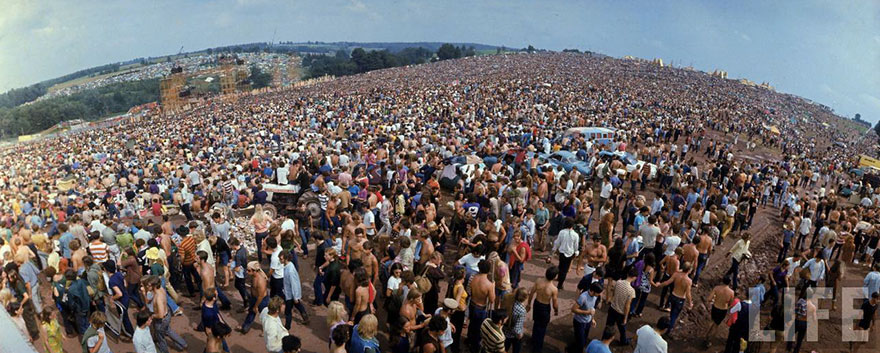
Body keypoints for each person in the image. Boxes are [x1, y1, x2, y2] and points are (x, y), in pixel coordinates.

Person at [527, 266, 559, 353]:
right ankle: (537, 348)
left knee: (536, 323)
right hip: (545, 307)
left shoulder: (538, 281)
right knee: (542, 328)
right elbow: (555, 303)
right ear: (555, 276)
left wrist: (529, 304)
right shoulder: (554, 289)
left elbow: (531, 293)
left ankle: (533, 340)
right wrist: (556, 310)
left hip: (537, 304)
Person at [467, 259, 496, 352]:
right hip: (480, 308)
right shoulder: (489, 284)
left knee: (471, 324)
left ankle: (469, 340)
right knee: (478, 329)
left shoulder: (473, 278)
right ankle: (474, 347)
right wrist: (493, 287)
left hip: (472, 303)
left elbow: (469, 291)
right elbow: (492, 300)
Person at [606, 268, 637, 345]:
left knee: (609, 326)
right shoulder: (631, 291)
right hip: (620, 312)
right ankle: (623, 341)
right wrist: (625, 318)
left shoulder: (618, 282)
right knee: (622, 329)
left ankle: (605, 339)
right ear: (634, 277)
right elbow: (627, 306)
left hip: (612, 308)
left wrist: (611, 299)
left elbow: (613, 292)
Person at [281, 251, 310, 327]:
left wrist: (295, 296)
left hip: (290, 295)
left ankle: (287, 326)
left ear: (286, 259)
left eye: (281, 258)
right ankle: (305, 318)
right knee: (298, 305)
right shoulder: (289, 266)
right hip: (290, 293)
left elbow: (294, 284)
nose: (280, 260)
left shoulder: (290, 270)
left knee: (288, 311)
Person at [239, 261, 269, 334]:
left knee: (264, 316)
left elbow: (261, 296)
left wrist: (256, 306)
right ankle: (246, 326)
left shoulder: (261, 281)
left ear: (255, 271)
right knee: (251, 312)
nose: (247, 271)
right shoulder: (253, 276)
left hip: (261, 300)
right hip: (254, 297)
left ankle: (267, 330)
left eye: (249, 270)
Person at [704, 276, 735, 345]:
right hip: (723, 310)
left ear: (722, 281)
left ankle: (705, 336)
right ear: (729, 283)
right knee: (716, 325)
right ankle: (709, 341)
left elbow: (709, 299)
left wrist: (715, 299)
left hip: (715, 307)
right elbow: (731, 303)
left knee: (711, 322)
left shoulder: (717, 288)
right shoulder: (731, 292)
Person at [573, 282, 603, 350]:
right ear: (592, 291)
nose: (599, 295)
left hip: (587, 322)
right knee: (580, 343)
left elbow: (591, 309)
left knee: (584, 340)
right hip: (579, 322)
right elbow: (573, 309)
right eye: (598, 293)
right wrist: (587, 312)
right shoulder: (583, 297)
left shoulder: (595, 297)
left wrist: (592, 319)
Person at [552, 218, 580, 291]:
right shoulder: (575, 235)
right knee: (565, 270)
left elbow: (557, 242)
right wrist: (576, 252)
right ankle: (560, 284)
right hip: (569, 254)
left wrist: (554, 250)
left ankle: (559, 277)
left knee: (561, 266)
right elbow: (576, 246)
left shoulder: (562, 232)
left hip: (562, 253)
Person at [504, 287, 528, 353]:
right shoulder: (522, 310)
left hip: (506, 332)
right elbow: (516, 329)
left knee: (504, 349)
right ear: (525, 298)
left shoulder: (510, 301)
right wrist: (520, 335)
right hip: (515, 336)